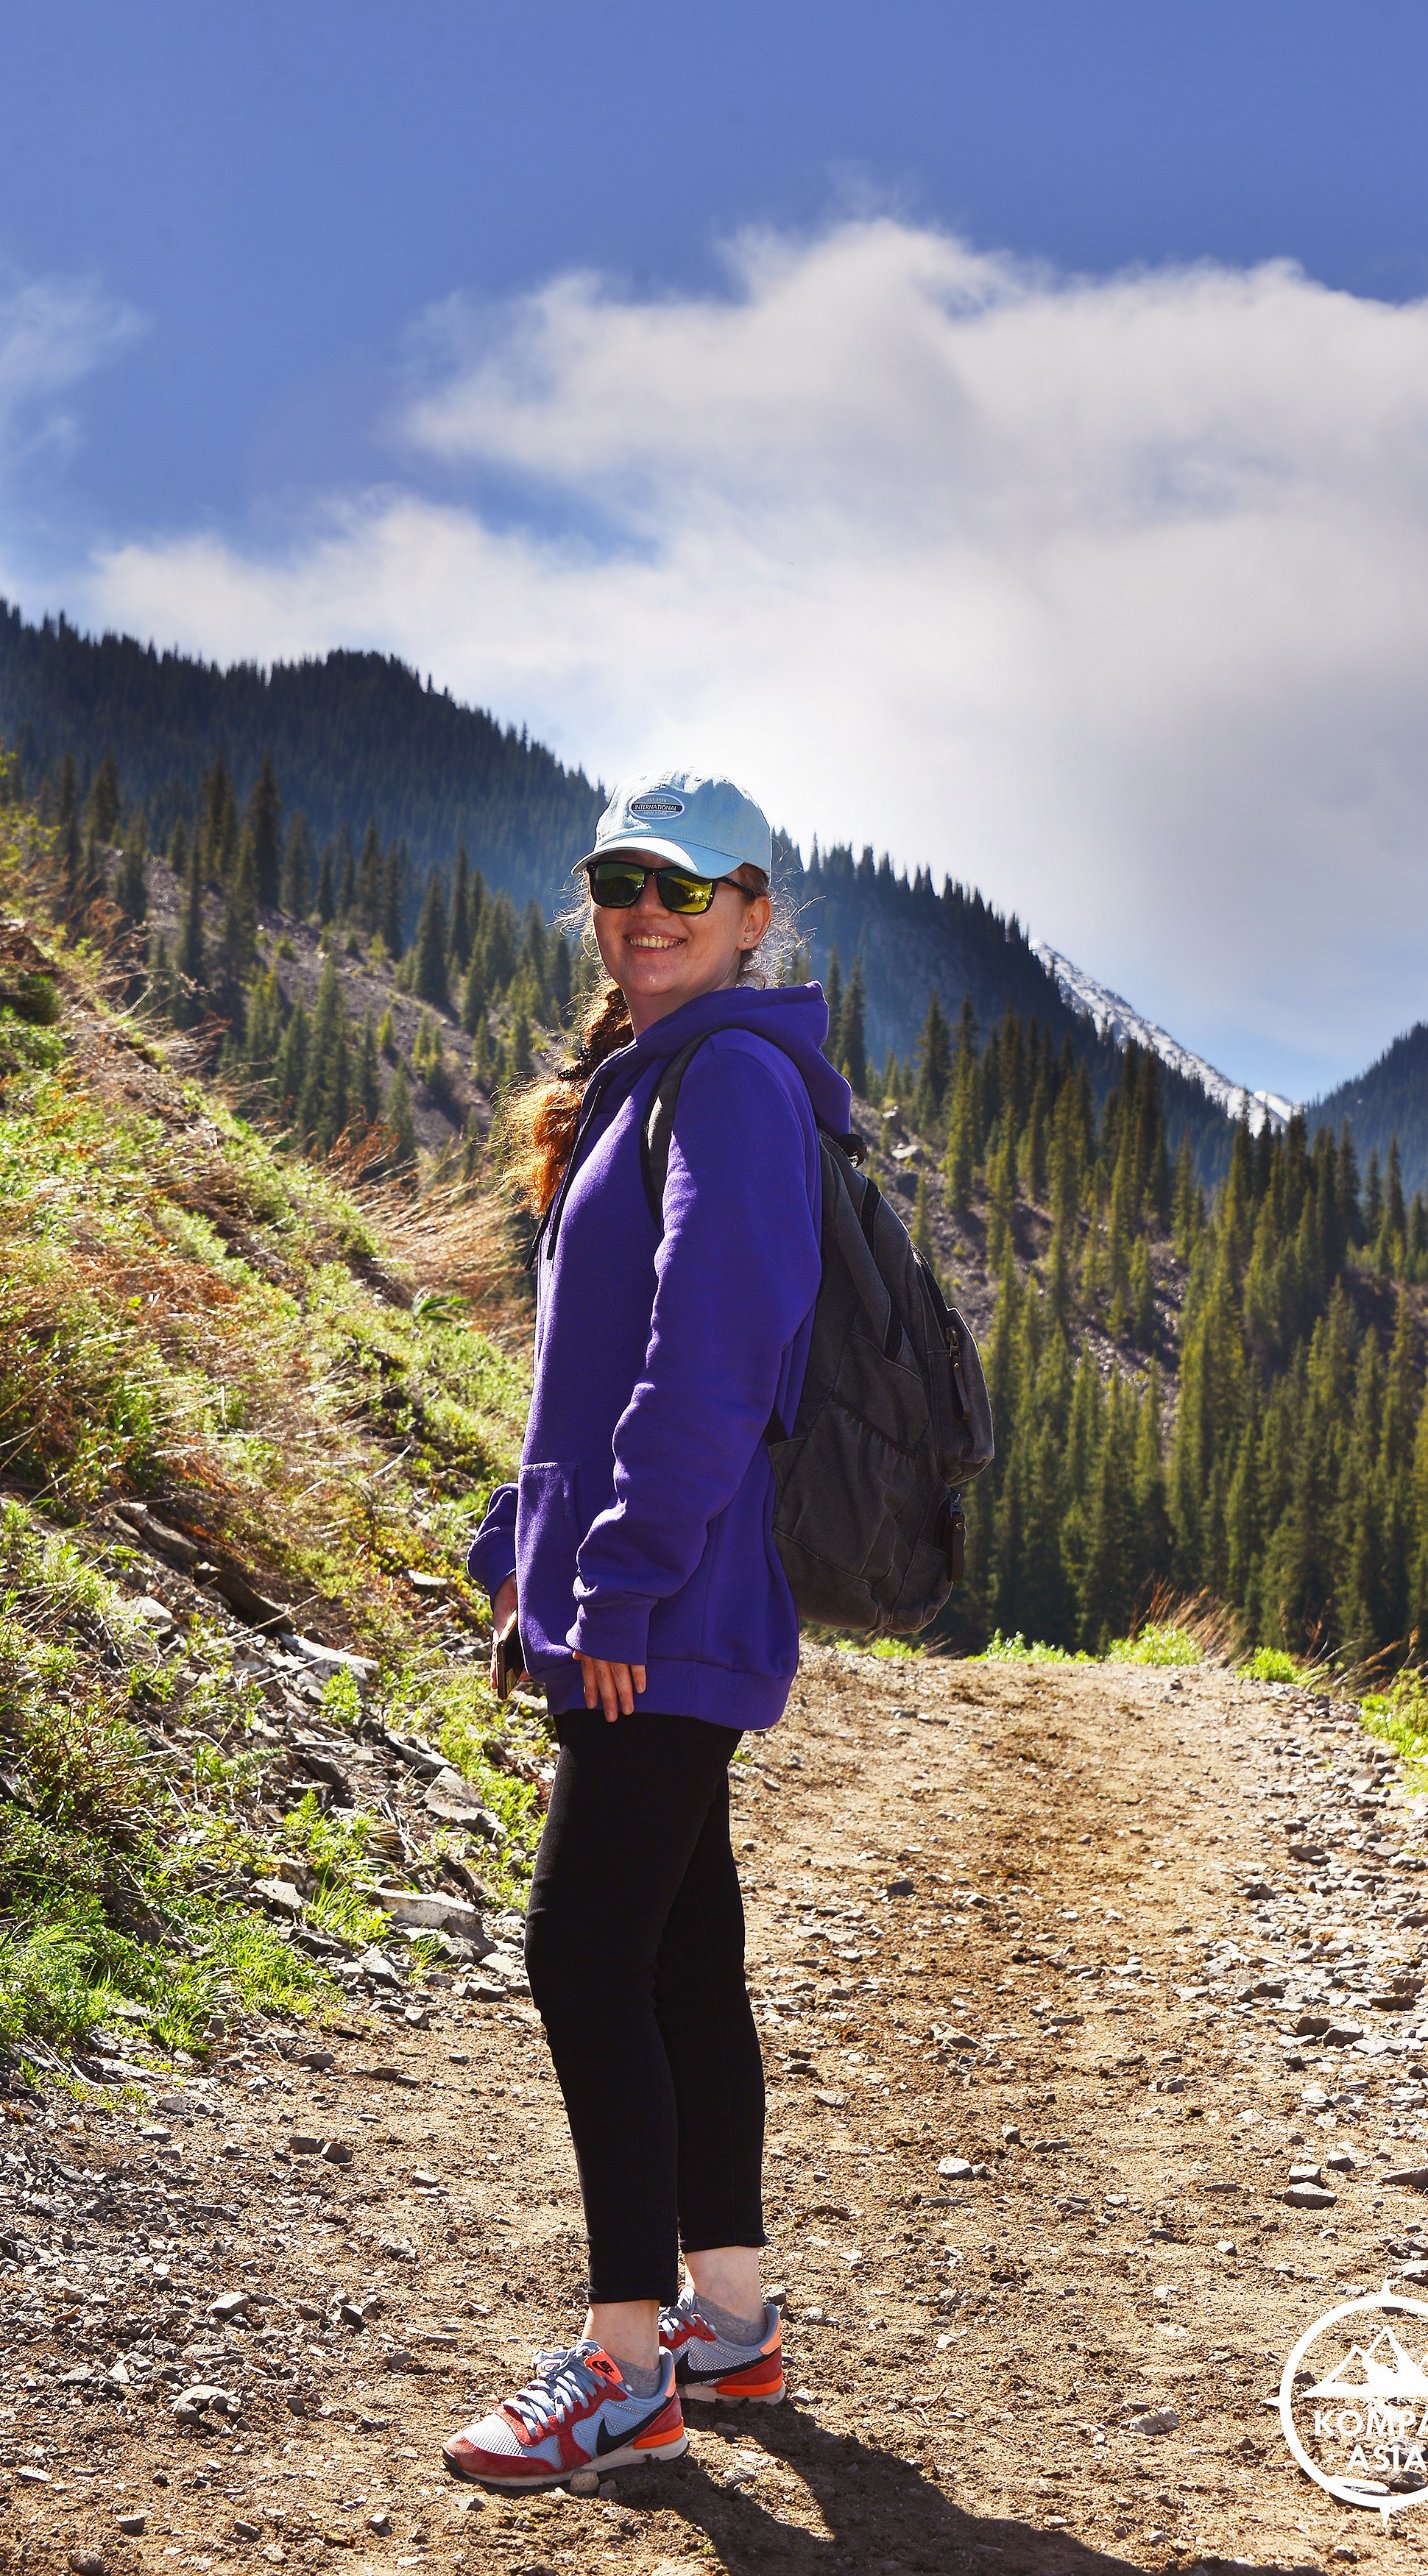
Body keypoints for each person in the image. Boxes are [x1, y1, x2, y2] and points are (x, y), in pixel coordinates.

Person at [444, 769, 852, 2493]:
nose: (648, 907)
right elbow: (587, 1373)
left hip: (664, 1601)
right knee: (681, 1952)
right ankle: (731, 2320)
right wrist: (518, 1562)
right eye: (621, 879)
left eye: (691, 884)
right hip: (631, 1592)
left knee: (580, 1953)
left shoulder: (739, 1084)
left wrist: (606, 1585)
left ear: (756, 910)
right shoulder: (651, 1087)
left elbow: (713, 1357)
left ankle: (626, 2365)